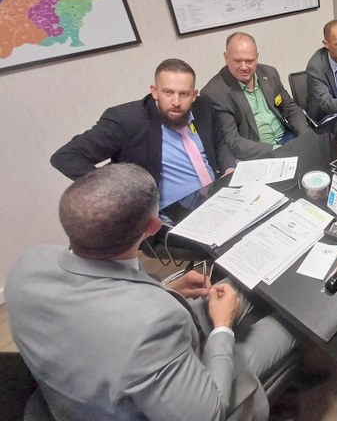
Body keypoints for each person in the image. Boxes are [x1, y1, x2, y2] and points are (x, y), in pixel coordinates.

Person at [6, 163, 296, 421]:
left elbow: (102, 300)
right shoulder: (150, 326)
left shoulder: (28, 264)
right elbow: (210, 414)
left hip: (92, 378)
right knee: (289, 321)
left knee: (238, 285)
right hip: (177, 397)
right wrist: (222, 327)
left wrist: (166, 290)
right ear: (153, 226)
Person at [51, 58, 235, 209]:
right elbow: (66, 157)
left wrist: (229, 168)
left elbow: (218, 142)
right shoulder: (127, 120)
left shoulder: (203, 107)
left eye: (184, 94)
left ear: (194, 95)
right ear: (154, 92)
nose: (176, 102)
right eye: (168, 92)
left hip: (215, 198)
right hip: (169, 216)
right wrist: (114, 190)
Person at [200, 32, 312, 161]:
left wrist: (305, 136)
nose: (244, 67)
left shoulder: (269, 73)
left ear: (257, 57)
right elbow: (233, 142)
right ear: (226, 57)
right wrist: (279, 150)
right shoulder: (215, 93)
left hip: (288, 137)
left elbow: (290, 108)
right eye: (237, 61)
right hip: (257, 152)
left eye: (249, 61)